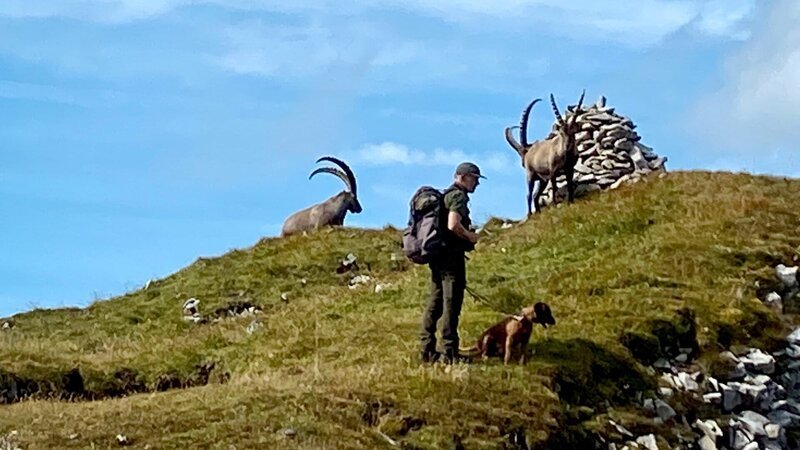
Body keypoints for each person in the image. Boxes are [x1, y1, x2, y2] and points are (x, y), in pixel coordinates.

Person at [420, 162, 484, 364]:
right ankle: (449, 352)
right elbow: (453, 224)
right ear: (463, 177)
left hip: (437, 256)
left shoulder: (444, 195)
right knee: (451, 304)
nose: (476, 183)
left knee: (435, 302)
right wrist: (470, 237)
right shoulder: (458, 196)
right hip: (451, 257)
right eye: (474, 178)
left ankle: (427, 350)